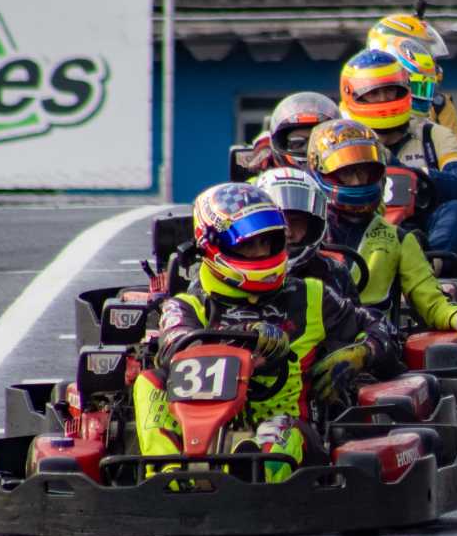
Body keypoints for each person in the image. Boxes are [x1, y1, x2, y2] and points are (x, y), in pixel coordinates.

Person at [132, 182, 400, 482]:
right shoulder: (188, 306)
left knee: (280, 431)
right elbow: (173, 348)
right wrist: (245, 338)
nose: (260, 252)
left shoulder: (312, 296)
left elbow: (382, 327)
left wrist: (360, 354)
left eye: (266, 242)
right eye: (248, 244)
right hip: (200, 431)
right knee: (149, 382)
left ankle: (255, 473)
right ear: (211, 245)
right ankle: (168, 475)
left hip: (293, 431)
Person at [306, 119, 457, 349]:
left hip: (374, 345)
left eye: (365, 172)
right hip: (310, 344)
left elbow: (431, 301)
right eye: (348, 173)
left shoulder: (398, 238)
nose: (358, 182)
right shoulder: (305, 235)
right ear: (323, 174)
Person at [339, 48, 457, 257]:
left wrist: (416, 176)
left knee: (455, 208)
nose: (383, 99)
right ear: (353, 96)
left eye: (390, 90)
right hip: (358, 232)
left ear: (404, 89)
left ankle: (433, 267)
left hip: (421, 233)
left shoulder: (433, 135)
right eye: (374, 93)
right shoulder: (341, 142)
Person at [252, 166, 357, 305]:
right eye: (277, 221)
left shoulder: (334, 272)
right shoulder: (238, 270)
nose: (287, 232)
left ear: (312, 226)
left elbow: (355, 316)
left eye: (296, 221)